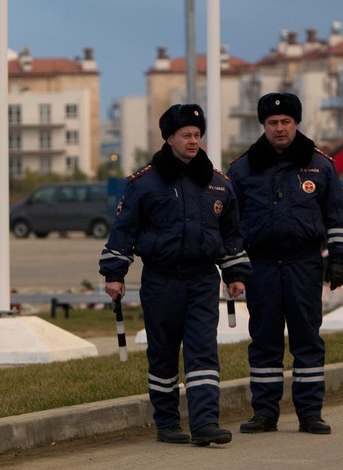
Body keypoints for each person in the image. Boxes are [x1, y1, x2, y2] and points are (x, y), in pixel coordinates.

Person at [99, 103, 251, 447]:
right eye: (186, 135)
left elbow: (231, 235)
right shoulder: (144, 183)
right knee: (164, 353)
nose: (193, 141)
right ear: (170, 138)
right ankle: (167, 423)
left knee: (202, 351)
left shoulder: (218, 184)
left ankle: (205, 424)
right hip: (161, 279)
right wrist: (114, 273)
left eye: (198, 135)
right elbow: (124, 230)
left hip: (201, 280)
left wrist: (235, 273)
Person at [226, 92, 343, 435]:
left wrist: (340, 260)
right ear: (263, 125)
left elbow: (338, 215)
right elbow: (230, 226)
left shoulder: (320, 165)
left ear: (296, 123)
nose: (279, 128)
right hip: (262, 266)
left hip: (304, 263)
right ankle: (265, 413)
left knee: (306, 338)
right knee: (264, 339)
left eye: (286, 122)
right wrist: (234, 268)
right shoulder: (242, 169)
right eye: (272, 123)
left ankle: (310, 413)